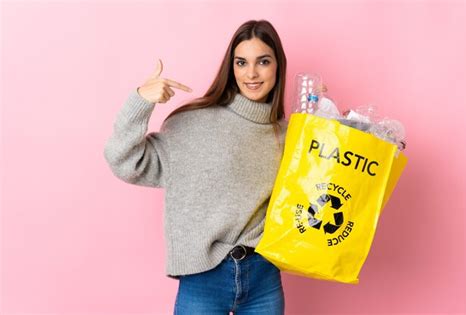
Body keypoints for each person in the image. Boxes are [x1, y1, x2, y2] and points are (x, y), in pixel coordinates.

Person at [104, 19, 325, 315]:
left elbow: (316, 195)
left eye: (263, 61)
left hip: (264, 277)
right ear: (231, 69)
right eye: (241, 62)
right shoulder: (193, 124)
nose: (251, 73)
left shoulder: (289, 135)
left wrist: (329, 125)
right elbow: (124, 161)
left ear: (277, 67)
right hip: (203, 278)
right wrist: (140, 101)